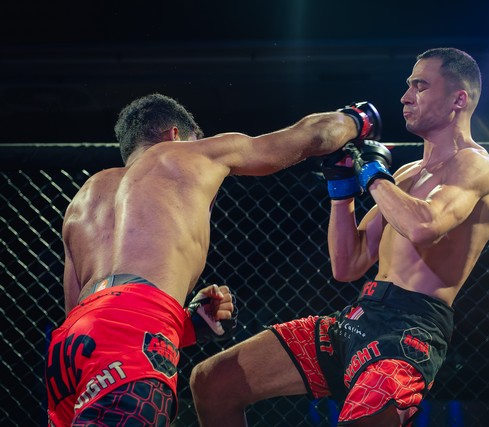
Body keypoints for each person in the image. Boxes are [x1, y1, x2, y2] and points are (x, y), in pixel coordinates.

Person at [190, 47, 489, 427]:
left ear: (459, 99)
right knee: (213, 382)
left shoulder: (475, 165)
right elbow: (347, 265)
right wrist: (341, 190)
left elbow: (424, 226)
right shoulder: (406, 176)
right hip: (358, 316)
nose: (405, 97)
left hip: (408, 333)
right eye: (408, 86)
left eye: (420, 86)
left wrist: (373, 177)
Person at [44, 93, 382, 426]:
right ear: (175, 135)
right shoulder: (187, 155)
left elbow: (85, 310)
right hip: (135, 336)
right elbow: (310, 137)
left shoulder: (84, 198)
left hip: (68, 349)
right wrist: (359, 119)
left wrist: (189, 325)